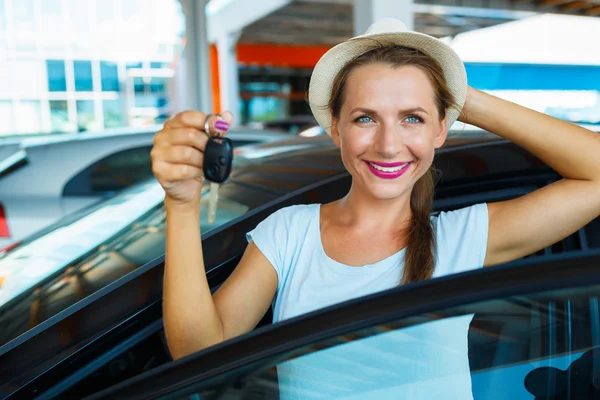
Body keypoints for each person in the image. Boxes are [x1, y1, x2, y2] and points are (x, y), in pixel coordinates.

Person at [151, 18, 600, 398]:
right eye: (365, 118)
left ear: (442, 129)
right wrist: (181, 202)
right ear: (335, 128)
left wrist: (463, 96)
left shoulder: (462, 237)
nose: (388, 145)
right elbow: (198, 354)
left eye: (413, 118)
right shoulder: (289, 232)